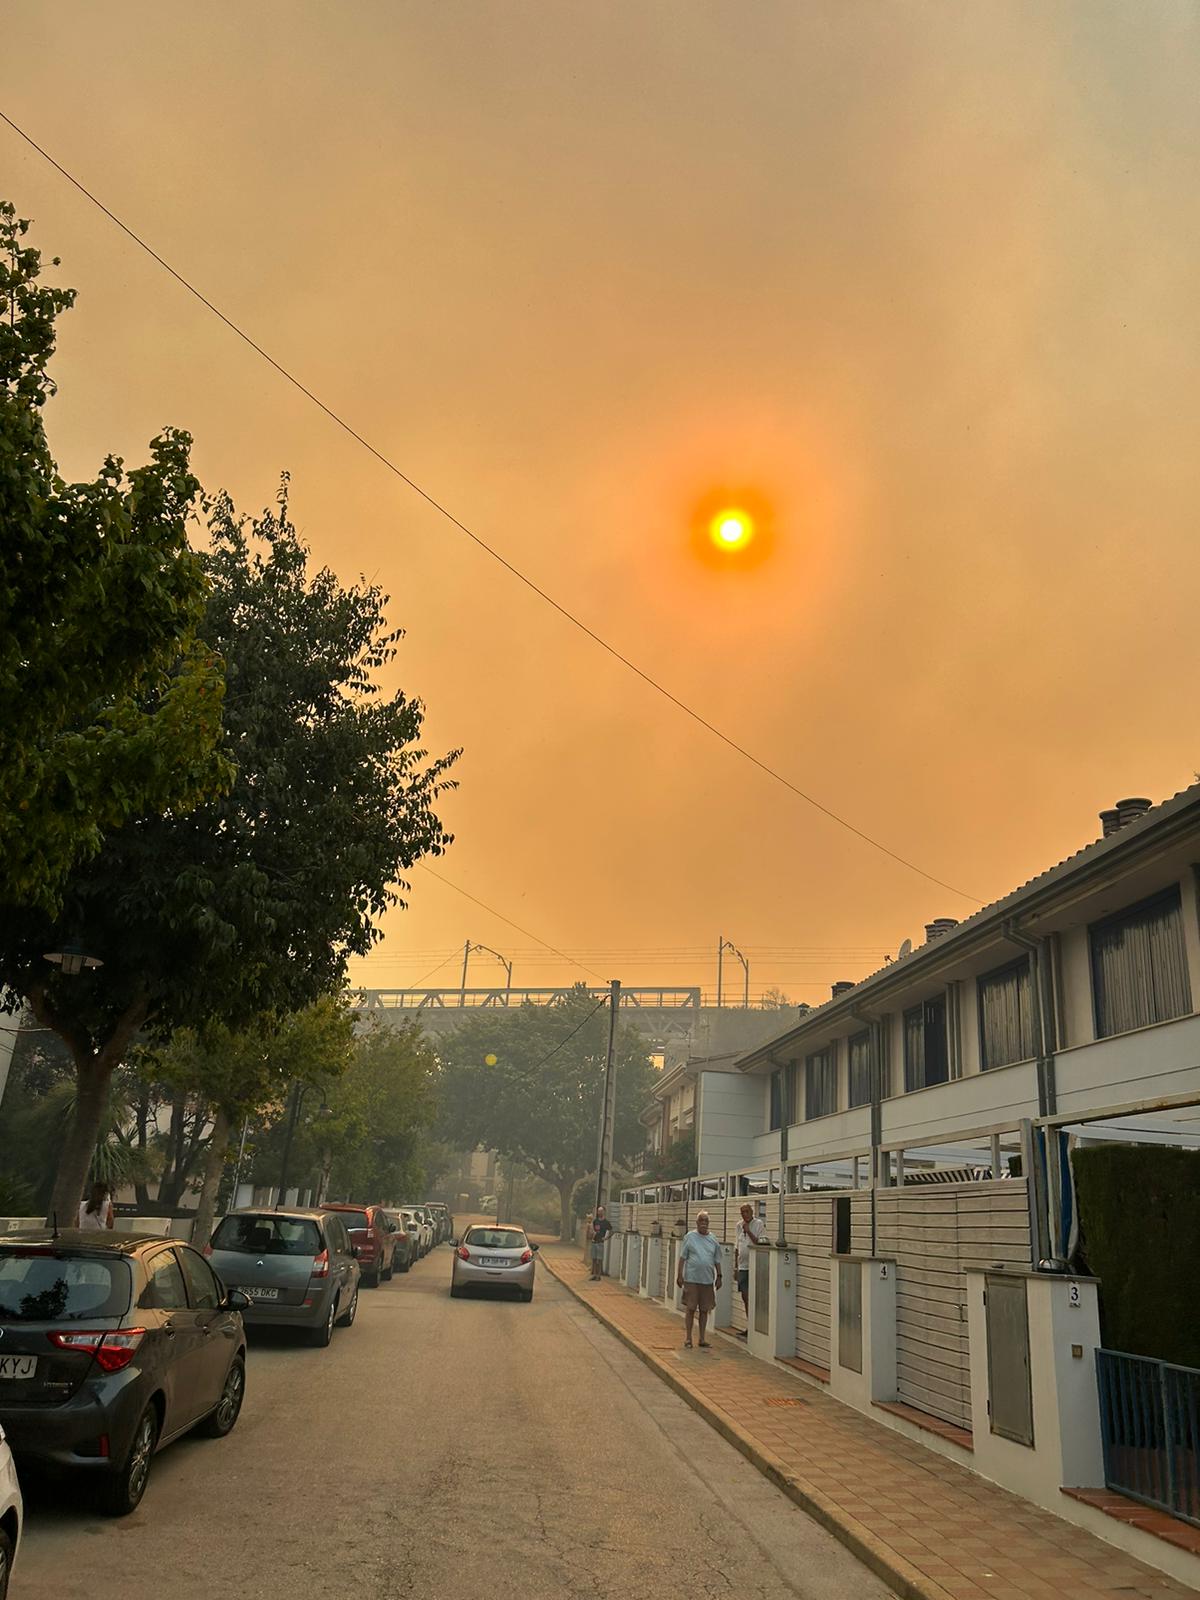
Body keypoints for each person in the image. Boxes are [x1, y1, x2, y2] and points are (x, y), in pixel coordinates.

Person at [676, 1210, 722, 1349]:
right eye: (701, 1220)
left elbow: (717, 1259)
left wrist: (719, 1276)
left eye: (706, 1221)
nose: (704, 1223)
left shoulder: (713, 1239)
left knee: (704, 1310)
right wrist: (679, 1275)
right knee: (690, 1308)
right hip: (692, 1279)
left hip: (707, 1280)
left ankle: (702, 1338)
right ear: (697, 1223)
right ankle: (688, 1338)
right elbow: (683, 1257)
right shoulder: (690, 1237)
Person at [734, 1202, 765, 1327]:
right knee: (745, 1296)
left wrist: (749, 1231)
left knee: (753, 1296)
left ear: (751, 1212)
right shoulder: (738, 1226)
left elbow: (760, 1243)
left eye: (747, 1211)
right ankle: (749, 1324)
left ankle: (755, 1325)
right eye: (742, 1212)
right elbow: (737, 1247)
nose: (745, 1214)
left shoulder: (758, 1224)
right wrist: (735, 1267)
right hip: (742, 1266)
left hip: (754, 1266)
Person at [588, 1206, 613, 1280]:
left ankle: (598, 1275)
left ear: (604, 1212)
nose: (599, 1213)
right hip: (594, 1242)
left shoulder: (606, 1222)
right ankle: (594, 1275)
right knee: (594, 1259)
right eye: (598, 1211)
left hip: (600, 1242)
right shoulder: (595, 1221)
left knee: (599, 1259)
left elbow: (611, 1230)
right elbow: (592, 1230)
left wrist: (606, 1238)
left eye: (601, 1211)